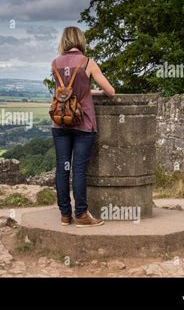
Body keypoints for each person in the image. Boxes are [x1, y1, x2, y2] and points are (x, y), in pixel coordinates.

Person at [51, 26, 115, 227]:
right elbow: (110, 91)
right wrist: (92, 91)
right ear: (80, 40)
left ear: (64, 41)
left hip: (60, 122)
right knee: (79, 170)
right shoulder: (87, 62)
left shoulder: (55, 63)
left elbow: (65, 92)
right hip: (83, 122)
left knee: (62, 168)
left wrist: (88, 90)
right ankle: (81, 215)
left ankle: (64, 214)